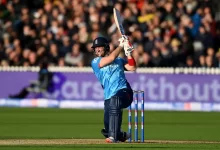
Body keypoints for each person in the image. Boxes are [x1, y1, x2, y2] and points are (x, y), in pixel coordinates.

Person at [91, 36, 137, 143]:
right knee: (108, 127)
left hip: (124, 92)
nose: (97, 49)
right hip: (109, 96)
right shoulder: (95, 61)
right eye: (95, 48)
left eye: (99, 47)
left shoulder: (119, 60)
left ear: (106, 47)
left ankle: (114, 137)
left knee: (115, 100)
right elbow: (111, 58)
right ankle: (120, 135)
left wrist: (129, 53)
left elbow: (132, 67)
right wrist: (121, 45)